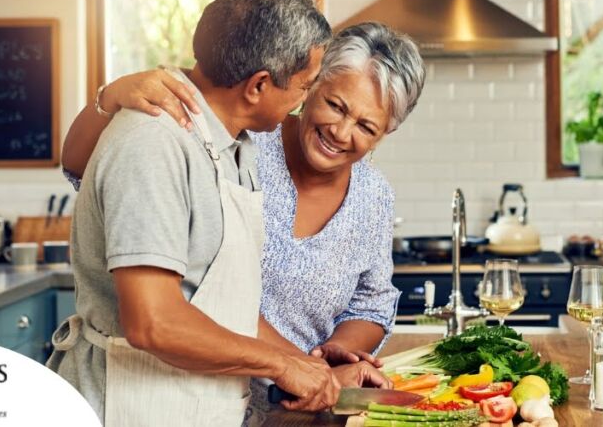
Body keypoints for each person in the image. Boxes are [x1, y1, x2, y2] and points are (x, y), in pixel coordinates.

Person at [61, 22, 427, 423]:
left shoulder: (373, 194)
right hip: (185, 390)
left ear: (383, 135)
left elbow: (371, 302)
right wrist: (109, 98)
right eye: (336, 106)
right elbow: (85, 167)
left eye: (366, 127)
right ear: (311, 87)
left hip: (300, 404)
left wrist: (323, 363)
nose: (340, 132)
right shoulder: (244, 140)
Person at [46, 0, 343, 426]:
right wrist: (282, 366)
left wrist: (317, 372)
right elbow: (154, 323)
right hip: (130, 408)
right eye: (304, 87)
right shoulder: (154, 143)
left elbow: (224, 309)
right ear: (259, 85)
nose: (304, 103)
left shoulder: (235, 145)